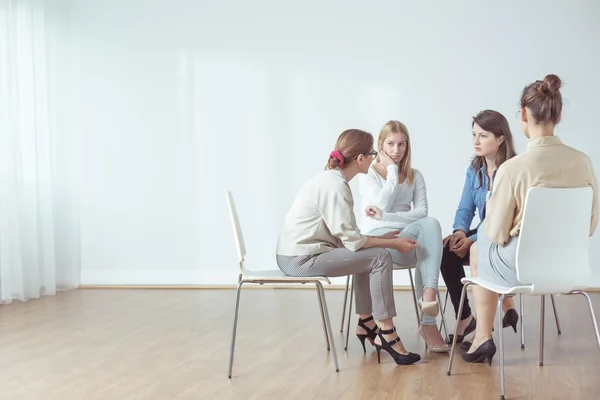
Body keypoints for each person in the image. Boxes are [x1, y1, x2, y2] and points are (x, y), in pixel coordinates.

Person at [461, 74, 599, 364]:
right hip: (569, 264)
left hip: (523, 266)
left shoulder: (513, 168)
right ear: (558, 115)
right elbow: (590, 224)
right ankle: (491, 326)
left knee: (480, 243)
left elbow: (497, 235)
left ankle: (482, 337)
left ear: (523, 115)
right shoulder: (583, 161)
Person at [276, 128, 421, 365]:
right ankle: (387, 332)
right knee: (380, 256)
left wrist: (383, 236)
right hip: (301, 259)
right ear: (360, 159)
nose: (375, 158)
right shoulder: (336, 186)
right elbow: (353, 242)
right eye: (373, 153)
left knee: (372, 254)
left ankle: (367, 323)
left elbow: (348, 237)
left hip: (298, 254)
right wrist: (392, 242)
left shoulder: (332, 179)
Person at [358, 120, 450, 352]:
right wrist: (391, 171)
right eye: (390, 144)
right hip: (379, 243)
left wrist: (385, 216)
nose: (396, 150)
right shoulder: (367, 173)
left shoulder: (414, 175)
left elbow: (422, 212)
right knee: (426, 243)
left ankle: (428, 308)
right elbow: (382, 201)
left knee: (430, 225)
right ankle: (429, 320)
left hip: (407, 241)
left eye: (402, 144)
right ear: (380, 145)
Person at [440, 110, 517, 344]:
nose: (475, 141)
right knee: (447, 251)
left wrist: (473, 240)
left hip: (507, 234)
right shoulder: (475, 170)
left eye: (483, 136)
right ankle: (465, 318)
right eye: (474, 134)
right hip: (483, 229)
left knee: (477, 248)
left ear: (500, 138)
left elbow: (508, 218)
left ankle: (500, 310)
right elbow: (465, 208)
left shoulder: (514, 169)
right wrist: (460, 232)